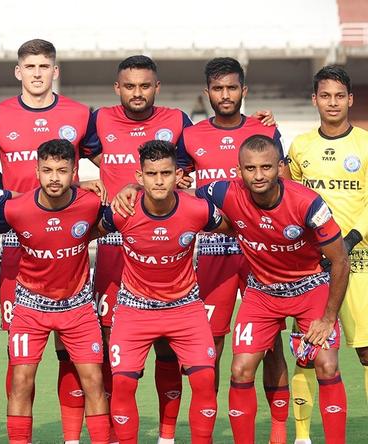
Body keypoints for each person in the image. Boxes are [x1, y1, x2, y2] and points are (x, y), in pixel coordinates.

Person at [87, 54, 275, 444]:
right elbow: (71, 160)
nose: (137, 93)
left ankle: (275, 433)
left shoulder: (189, 127)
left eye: (145, 85)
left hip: (232, 250)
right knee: (118, 358)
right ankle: (128, 433)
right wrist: (106, 189)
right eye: (130, 85)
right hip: (154, 250)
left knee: (262, 347)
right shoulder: (100, 120)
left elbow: (261, 190)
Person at [0, 38, 97, 443]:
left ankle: (70, 437)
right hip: (17, 245)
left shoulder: (81, 115)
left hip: (70, 248)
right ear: (18, 71)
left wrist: (108, 187)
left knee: (73, 354)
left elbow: (108, 160)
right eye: (29, 66)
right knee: (20, 357)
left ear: (55, 71)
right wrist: (2, 195)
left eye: (44, 66)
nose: (36, 73)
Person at [197, 135, 349, 444]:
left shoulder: (308, 203)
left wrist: (329, 317)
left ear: (279, 167)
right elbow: (178, 197)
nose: (258, 176)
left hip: (310, 289)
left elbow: (340, 261)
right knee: (240, 370)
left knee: (327, 364)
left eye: (266, 167)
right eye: (250, 168)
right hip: (262, 293)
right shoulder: (224, 192)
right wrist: (134, 190)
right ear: (238, 170)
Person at [178, 57, 290, 443]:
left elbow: (286, 183)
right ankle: (205, 433)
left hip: (260, 249)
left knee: (271, 342)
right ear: (207, 92)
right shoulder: (190, 136)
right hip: (212, 250)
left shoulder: (263, 129)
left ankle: (277, 432)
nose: (224, 95)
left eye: (231, 88)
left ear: (244, 90)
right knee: (209, 345)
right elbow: (176, 186)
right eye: (217, 88)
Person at [97, 140, 226, 443]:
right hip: (134, 309)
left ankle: (171, 439)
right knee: (124, 384)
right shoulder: (123, 212)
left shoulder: (198, 210)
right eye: (152, 174)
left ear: (177, 175)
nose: (159, 180)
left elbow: (234, 228)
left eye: (166, 173)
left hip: (185, 308)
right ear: (139, 178)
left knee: (205, 379)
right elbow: (87, 232)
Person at [0, 139, 110, 444]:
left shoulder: (90, 204)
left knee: (94, 381)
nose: (55, 177)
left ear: (74, 171)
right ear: (37, 171)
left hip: (78, 306)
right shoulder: (15, 209)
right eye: (48, 170)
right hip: (31, 307)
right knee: (21, 381)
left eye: (62, 171)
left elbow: (123, 215)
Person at [287, 65, 368, 444]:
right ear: (314, 99)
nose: (332, 102)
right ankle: (302, 437)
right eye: (325, 95)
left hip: (361, 261)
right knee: (308, 351)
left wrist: (349, 240)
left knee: (367, 352)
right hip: (312, 266)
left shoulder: (365, 144)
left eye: (339, 96)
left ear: (350, 99)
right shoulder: (300, 146)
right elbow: (292, 200)